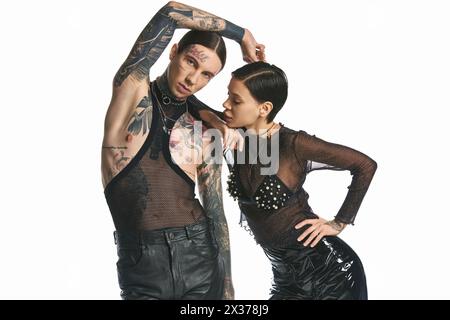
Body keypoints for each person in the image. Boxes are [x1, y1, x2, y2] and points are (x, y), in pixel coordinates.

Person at [101, 1, 265, 300]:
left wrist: (227, 283)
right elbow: (170, 13)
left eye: (206, 75)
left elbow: (215, 208)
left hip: (201, 260)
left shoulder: (205, 128)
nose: (193, 79)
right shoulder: (132, 91)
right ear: (173, 52)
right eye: (191, 62)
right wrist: (243, 35)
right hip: (142, 265)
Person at [223, 62, 377, 300]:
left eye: (236, 100)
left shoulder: (293, 144)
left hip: (332, 273)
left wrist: (339, 223)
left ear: (264, 108)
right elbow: (192, 105)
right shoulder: (234, 134)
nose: (226, 105)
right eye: (227, 96)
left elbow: (365, 165)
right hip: (287, 279)